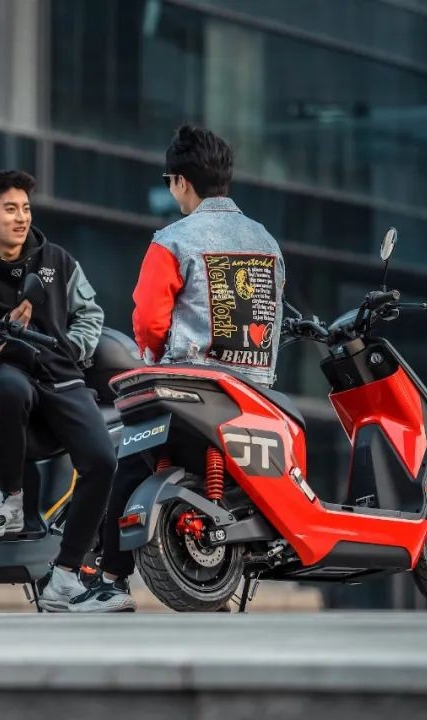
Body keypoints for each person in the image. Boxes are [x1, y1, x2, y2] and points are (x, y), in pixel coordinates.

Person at [76, 125, 286, 612]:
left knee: (125, 463)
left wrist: (151, 358)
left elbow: (148, 319)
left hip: (190, 389)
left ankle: (110, 577)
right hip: (255, 396)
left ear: (180, 183)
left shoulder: (173, 240)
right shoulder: (268, 243)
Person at [0, 170, 117, 612]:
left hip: (61, 375)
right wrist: (0, 338)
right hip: (7, 373)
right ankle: (12, 501)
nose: (21, 218)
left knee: (102, 461)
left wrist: (72, 348)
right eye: (11, 209)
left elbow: (90, 312)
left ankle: (65, 577)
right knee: (8, 388)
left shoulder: (56, 259)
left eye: (26, 208)